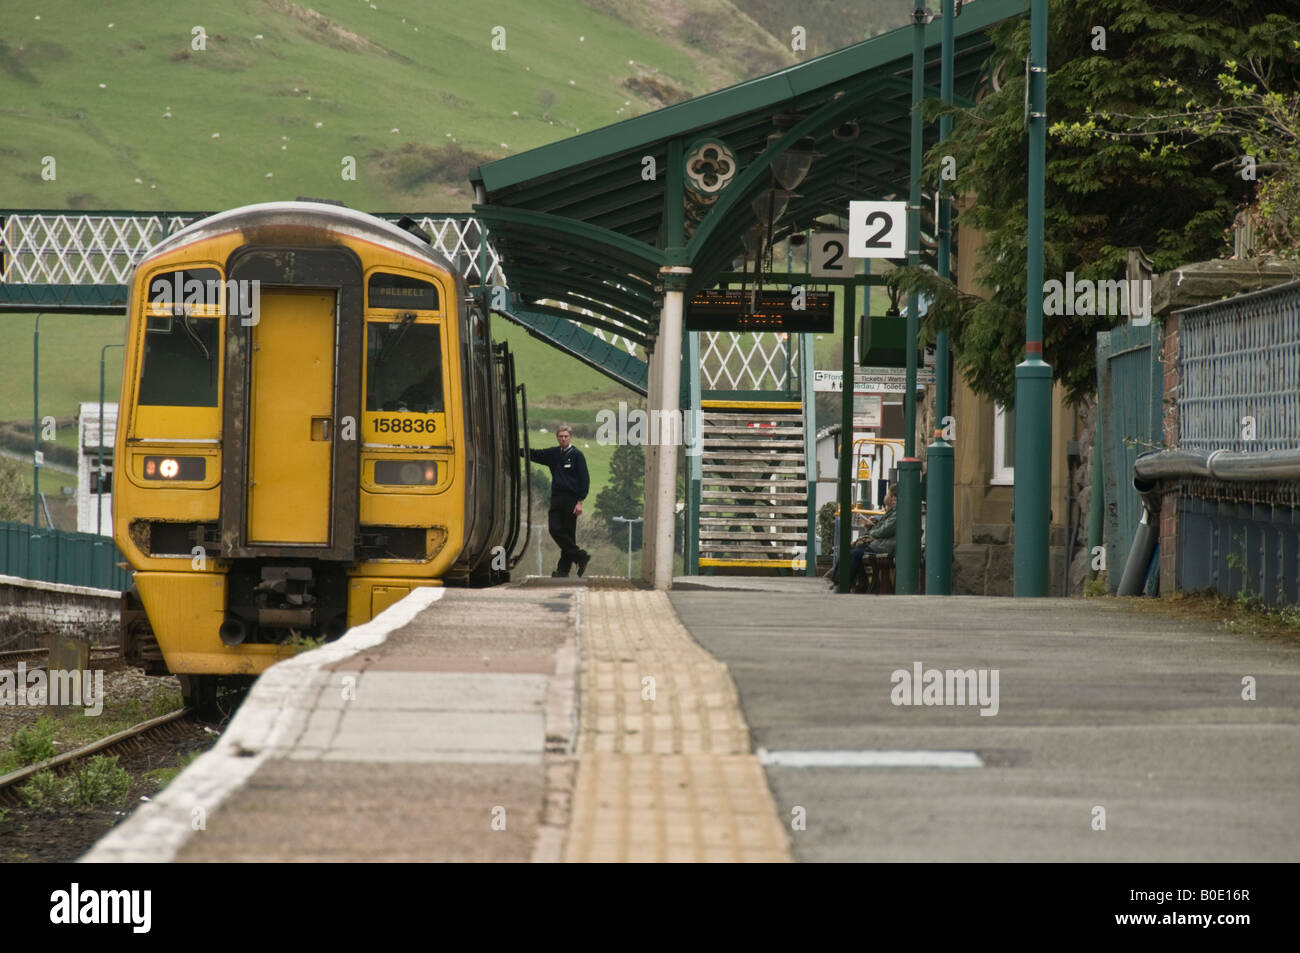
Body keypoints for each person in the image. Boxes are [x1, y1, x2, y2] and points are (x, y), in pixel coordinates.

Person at [527, 425, 591, 577]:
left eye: (566, 436)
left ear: (571, 437)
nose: (563, 439)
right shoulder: (553, 454)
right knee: (554, 528)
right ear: (557, 437)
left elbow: (584, 480)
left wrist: (580, 501)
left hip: (571, 499)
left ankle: (563, 570)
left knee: (569, 533)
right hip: (556, 498)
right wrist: (517, 450)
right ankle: (580, 556)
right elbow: (535, 454)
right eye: (560, 436)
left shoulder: (577, 455)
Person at [827, 486, 898, 591]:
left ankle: (843, 583)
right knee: (850, 549)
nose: (884, 496)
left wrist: (871, 531)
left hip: (883, 547)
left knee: (855, 554)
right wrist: (872, 525)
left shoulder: (897, 513)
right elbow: (883, 528)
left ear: (893, 498)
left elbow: (885, 530)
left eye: (887, 494)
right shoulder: (892, 512)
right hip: (879, 544)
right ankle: (839, 581)